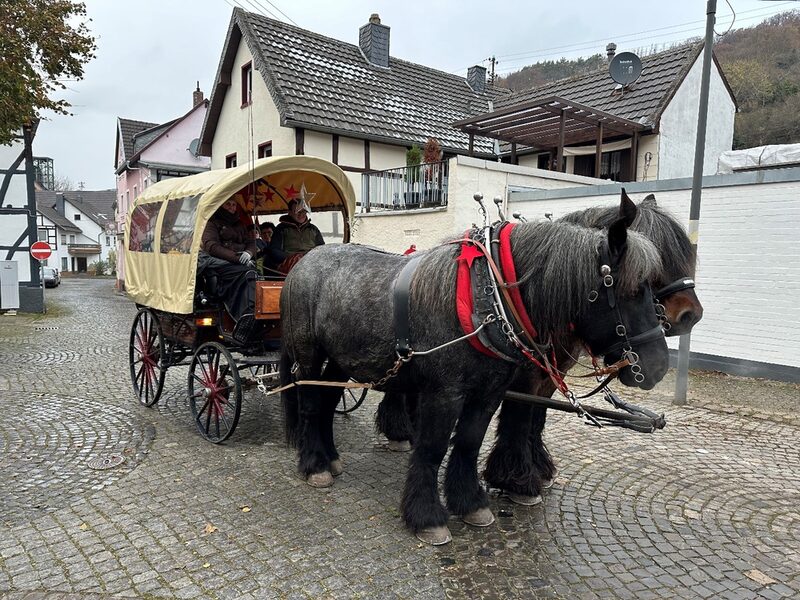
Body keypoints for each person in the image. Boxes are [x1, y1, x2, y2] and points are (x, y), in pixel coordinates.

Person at [199, 198, 259, 338]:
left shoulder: (239, 224)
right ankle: (244, 315)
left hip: (241, 263)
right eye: (228, 204)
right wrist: (238, 258)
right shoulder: (212, 223)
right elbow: (212, 247)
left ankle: (257, 310)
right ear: (221, 206)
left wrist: (248, 253)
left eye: (234, 205)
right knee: (245, 274)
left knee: (255, 274)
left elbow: (251, 241)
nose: (232, 207)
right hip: (218, 264)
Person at [269, 197, 324, 273]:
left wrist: (310, 258)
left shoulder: (313, 229)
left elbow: (321, 249)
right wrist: (294, 258)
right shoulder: (281, 229)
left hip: (312, 262)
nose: (301, 214)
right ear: (290, 212)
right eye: (297, 211)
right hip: (290, 265)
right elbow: (274, 251)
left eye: (303, 211)